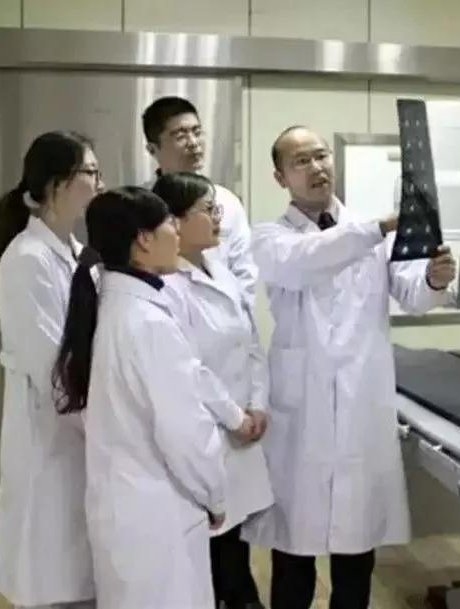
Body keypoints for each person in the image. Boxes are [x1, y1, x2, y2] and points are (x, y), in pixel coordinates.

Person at [245, 126, 457, 609]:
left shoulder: (371, 233)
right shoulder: (271, 238)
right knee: (293, 556)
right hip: (303, 412)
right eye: (301, 161)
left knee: (356, 556)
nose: (316, 167)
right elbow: (306, 261)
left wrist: (433, 278)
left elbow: (414, 296)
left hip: (361, 401)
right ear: (280, 177)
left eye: (321, 156)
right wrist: (380, 227)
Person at [53, 187, 228, 609]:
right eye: (170, 222)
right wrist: (216, 495)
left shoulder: (112, 307)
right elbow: (185, 431)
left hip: (126, 510)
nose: (177, 230)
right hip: (158, 515)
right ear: (144, 240)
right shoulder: (147, 322)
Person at [0, 130, 104, 609]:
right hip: (52, 437)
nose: (99, 183)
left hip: (82, 435)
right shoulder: (27, 260)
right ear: (57, 184)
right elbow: (54, 370)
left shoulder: (77, 254)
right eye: (90, 172)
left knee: (82, 573)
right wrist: (105, 431)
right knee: (54, 571)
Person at [153, 172, 273, 609]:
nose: (218, 217)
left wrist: (257, 404)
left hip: (242, 427)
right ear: (175, 221)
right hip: (207, 433)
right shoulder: (166, 286)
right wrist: (235, 417)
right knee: (211, 554)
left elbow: (250, 340)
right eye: (207, 209)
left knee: (233, 546)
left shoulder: (219, 268)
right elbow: (190, 368)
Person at [141, 96, 257, 307]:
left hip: (222, 313)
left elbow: (245, 271)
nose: (193, 143)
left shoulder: (227, 202)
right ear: (152, 149)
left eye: (197, 132)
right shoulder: (141, 204)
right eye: (180, 136)